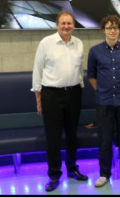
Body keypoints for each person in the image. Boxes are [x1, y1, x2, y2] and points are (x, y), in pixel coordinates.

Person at [32, 11, 88, 192]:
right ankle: (54, 174)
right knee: (54, 138)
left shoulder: (78, 43)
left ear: (73, 25)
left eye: (69, 23)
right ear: (57, 25)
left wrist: (80, 87)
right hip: (51, 96)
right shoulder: (46, 43)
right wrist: (39, 98)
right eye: (63, 23)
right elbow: (37, 71)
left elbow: (79, 71)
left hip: (73, 94)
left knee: (72, 136)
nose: (66, 26)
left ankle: (72, 168)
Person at [87, 16, 120, 187]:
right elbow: (92, 77)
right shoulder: (94, 51)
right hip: (104, 102)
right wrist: (103, 91)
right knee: (105, 140)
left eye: (116, 27)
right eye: (109, 28)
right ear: (103, 30)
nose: (113, 30)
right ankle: (104, 174)